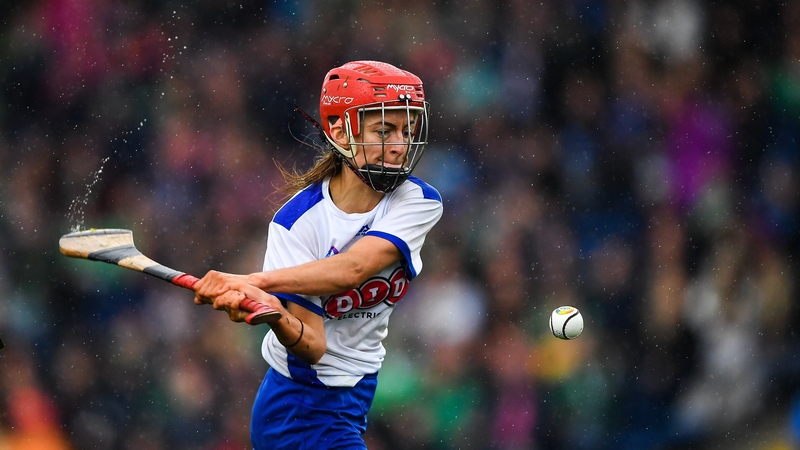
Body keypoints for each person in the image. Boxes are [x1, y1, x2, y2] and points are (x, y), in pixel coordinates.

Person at [193, 60, 443, 449]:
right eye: (384, 130)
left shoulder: (418, 201)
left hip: (354, 398)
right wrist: (273, 314)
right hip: (300, 406)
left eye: (407, 131)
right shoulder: (297, 223)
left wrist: (255, 283)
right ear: (341, 131)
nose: (399, 146)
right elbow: (311, 346)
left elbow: (354, 268)